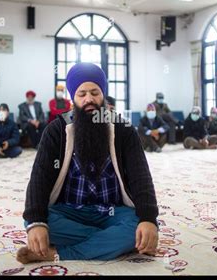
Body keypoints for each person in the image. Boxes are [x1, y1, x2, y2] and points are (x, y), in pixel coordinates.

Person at [17, 62, 158, 264]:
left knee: (139, 224)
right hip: (69, 211)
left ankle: (60, 254)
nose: (89, 99)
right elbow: (39, 178)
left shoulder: (123, 130)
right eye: (82, 94)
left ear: (103, 96)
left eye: (95, 92)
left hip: (112, 211)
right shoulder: (56, 130)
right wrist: (37, 222)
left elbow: (141, 176)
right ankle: (111, 240)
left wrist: (148, 219)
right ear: (73, 98)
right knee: (34, 219)